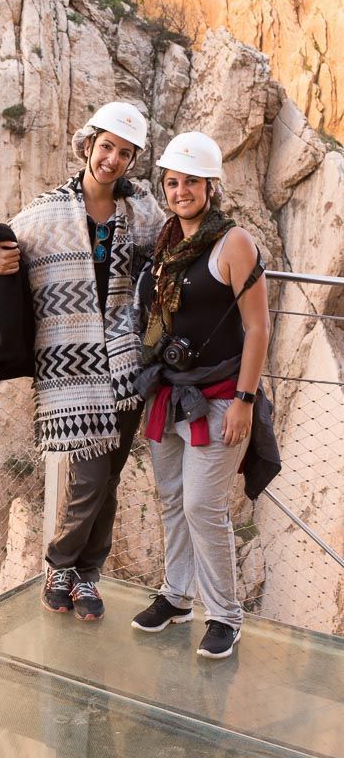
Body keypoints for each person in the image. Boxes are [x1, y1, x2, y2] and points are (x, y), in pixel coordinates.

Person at [0, 102, 166, 621]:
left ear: (132, 161)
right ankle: (60, 565)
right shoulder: (45, 213)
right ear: (88, 144)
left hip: (127, 363)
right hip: (73, 366)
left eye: (125, 153)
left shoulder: (141, 214)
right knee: (88, 477)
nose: (112, 159)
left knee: (108, 478)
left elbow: (177, 248)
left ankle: (88, 577)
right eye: (106, 146)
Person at [131, 131, 271, 658]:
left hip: (218, 395)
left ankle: (226, 617)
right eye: (172, 181)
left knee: (202, 504)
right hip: (168, 391)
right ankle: (177, 596)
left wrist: (245, 400)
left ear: (210, 186)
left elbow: (257, 329)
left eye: (191, 181)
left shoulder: (233, 243)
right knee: (171, 498)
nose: (180, 190)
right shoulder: (167, 239)